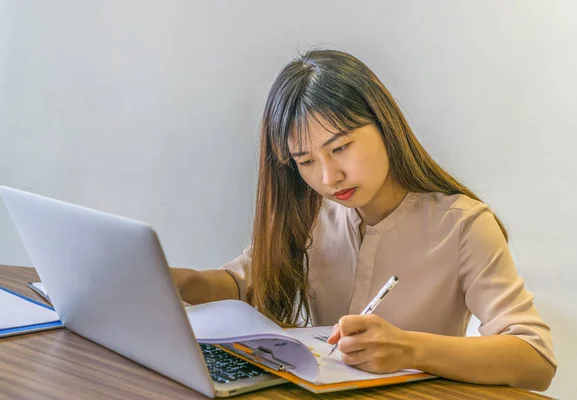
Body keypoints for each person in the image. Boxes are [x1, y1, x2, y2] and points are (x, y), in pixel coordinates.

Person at [170, 49, 556, 390]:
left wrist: (409, 348)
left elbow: (535, 360)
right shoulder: (312, 212)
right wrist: (181, 281)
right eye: (305, 161)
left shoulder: (463, 225)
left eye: (340, 147)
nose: (328, 177)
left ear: (384, 125)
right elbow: (245, 281)